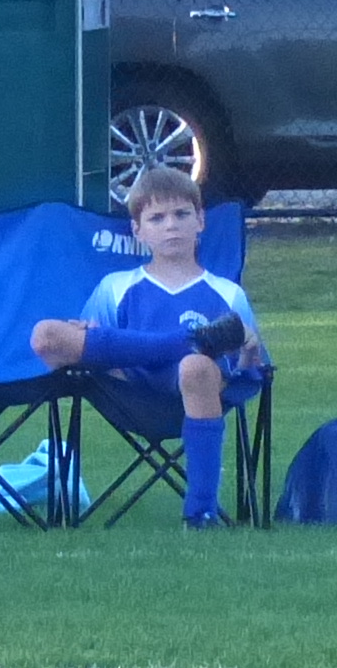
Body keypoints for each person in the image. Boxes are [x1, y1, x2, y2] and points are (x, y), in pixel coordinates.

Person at [27, 168, 265, 529]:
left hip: (195, 395)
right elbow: (78, 349)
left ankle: (201, 511)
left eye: (181, 214)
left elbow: (249, 372)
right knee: (46, 333)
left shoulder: (227, 294)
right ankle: (186, 341)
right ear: (137, 230)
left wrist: (248, 349)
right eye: (157, 218)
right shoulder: (116, 286)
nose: (171, 225)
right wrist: (82, 333)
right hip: (127, 393)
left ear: (200, 221)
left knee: (194, 366)